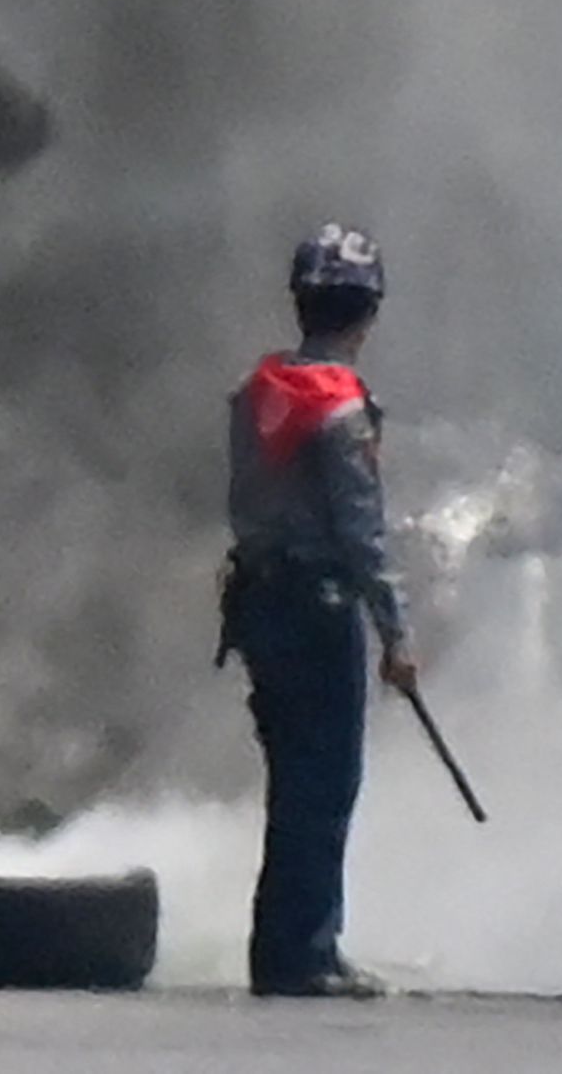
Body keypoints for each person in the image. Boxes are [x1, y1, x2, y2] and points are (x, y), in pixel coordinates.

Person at [219, 224, 416, 1000]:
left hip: (260, 604)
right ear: (366, 312)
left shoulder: (254, 391)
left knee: (287, 778)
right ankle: (307, 951)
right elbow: (363, 534)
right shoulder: (341, 413)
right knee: (324, 782)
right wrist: (397, 633)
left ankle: (280, 945)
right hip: (318, 607)